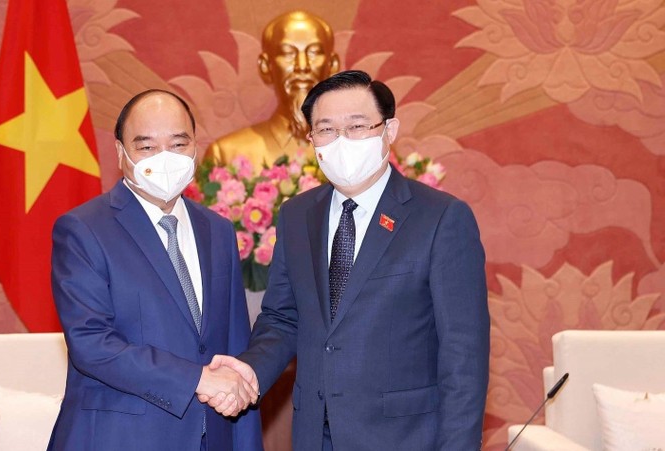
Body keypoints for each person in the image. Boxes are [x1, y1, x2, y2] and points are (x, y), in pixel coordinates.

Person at [207, 71, 490, 450]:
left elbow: (463, 355)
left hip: (405, 438)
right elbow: (283, 317)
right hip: (314, 434)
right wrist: (251, 369)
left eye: (356, 126)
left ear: (389, 130)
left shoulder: (440, 218)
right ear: (311, 139)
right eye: (326, 130)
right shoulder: (297, 215)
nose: (340, 141)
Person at [47, 89, 263, 451]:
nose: (164, 158)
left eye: (178, 144)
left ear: (195, 147)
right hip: (119, 439)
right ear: (120, 153)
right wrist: (196, 379)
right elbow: (92, 344)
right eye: (146, 146)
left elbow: (234, 349)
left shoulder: (219, 230)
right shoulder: (83, 229)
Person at [204, 10, 339, 169]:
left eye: (314, 52)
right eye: (287, 53)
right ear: (266, 66)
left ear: (332, 65)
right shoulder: (227, 155)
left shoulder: (355, 152)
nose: (302, 66)